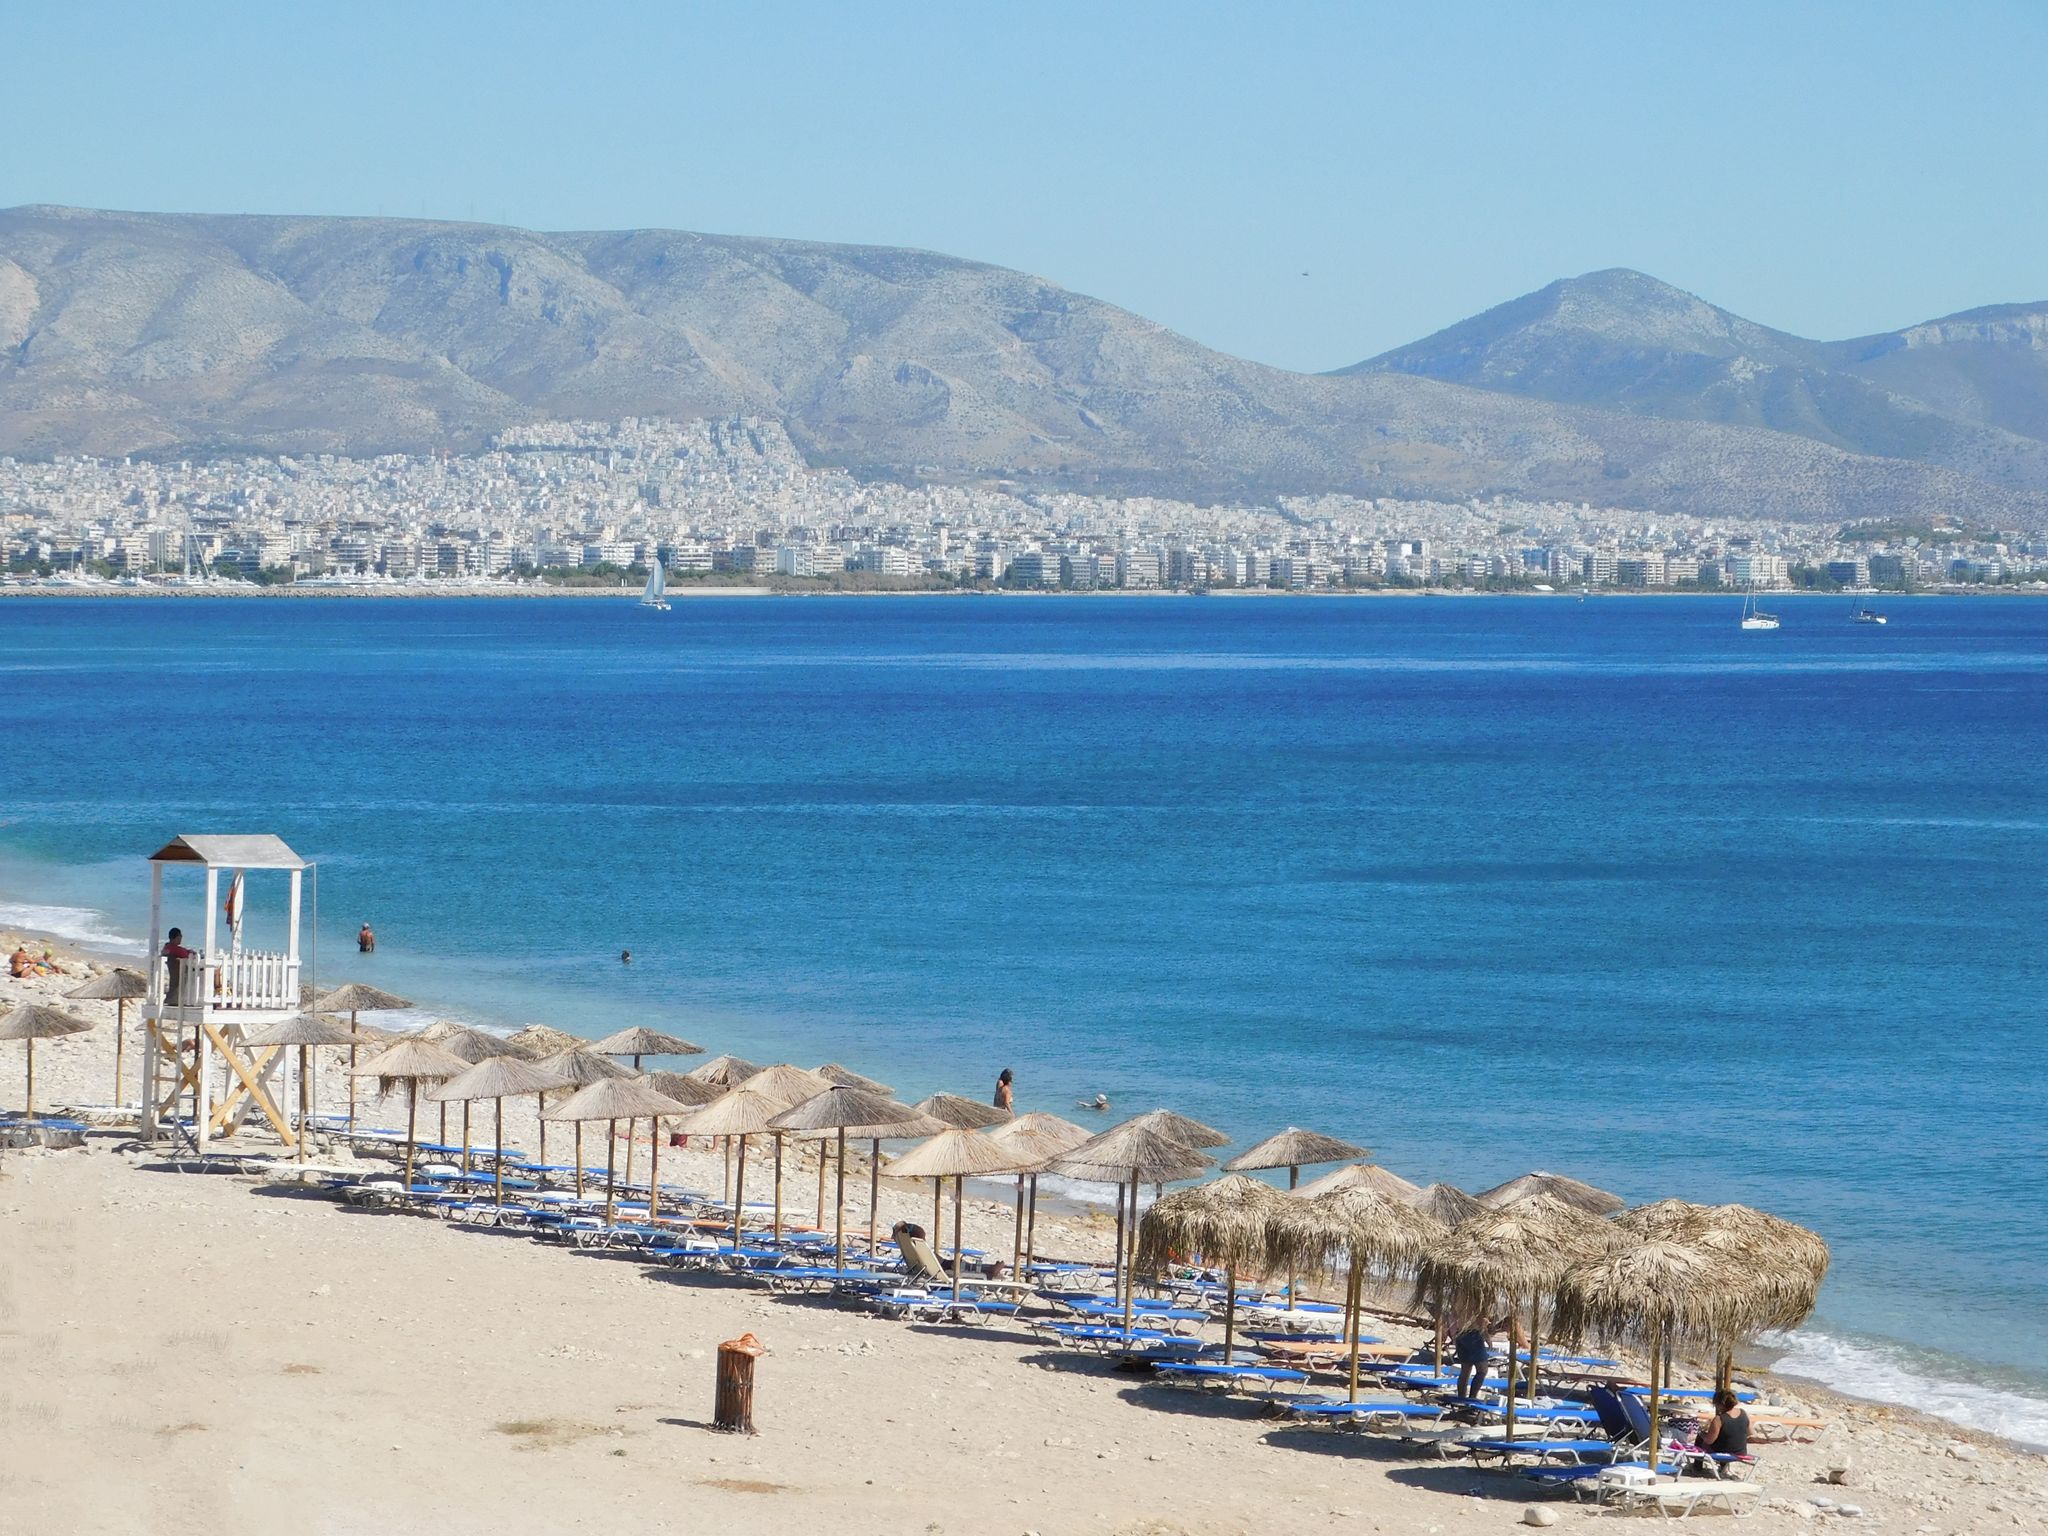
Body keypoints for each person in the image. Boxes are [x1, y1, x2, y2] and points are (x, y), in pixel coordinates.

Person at [1692, 1387, 1751, 1473]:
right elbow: (1750, 1432)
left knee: (1701, 1438)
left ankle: (1697, 1468)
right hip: (1741, 1452)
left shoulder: (1719, 1419)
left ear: (1720, 1404)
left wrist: (1702, 1434)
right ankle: (1723, 1466)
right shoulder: (1743, 1413)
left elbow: (1709, 1441)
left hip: (1724, 1452)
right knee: (1725, 1439)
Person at [1453, 1318, 1495, 1400]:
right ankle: (1472, 1398)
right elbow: (1482, 1321)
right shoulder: (1477, 1305)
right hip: (1473, 1334)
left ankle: (1461, 1398)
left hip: (1460, 1333)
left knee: (1465, 1370)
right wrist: (1488, 1339)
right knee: (1482, 1370)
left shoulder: (1460, 1306)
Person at [161, 927, 196, 1002]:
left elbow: (165, 952)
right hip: (184, 972)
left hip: (179, 972)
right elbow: (187, 955)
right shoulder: (175, 949)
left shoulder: (169, 947)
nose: (181, 937)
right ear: (176, 937)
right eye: (180, 936)